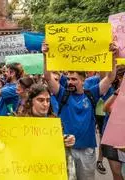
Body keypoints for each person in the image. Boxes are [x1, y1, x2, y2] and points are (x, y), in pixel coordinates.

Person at [43, 42, 118, 180]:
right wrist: (45, 55)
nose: (70, 82)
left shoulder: (92, 93)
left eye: (74, 79)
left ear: (83, 80)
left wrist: (113, 58)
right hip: (66, 149)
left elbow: (110, 78)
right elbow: (47, 77)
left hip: (87, 150)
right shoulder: (62, 93)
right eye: (69, 79)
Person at [0, 83, 76, 179]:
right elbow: (4, 149)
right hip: (23, 173)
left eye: (48, 100)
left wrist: (67, 139)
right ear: (31, 102)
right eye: (40, 100)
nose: (45, 104)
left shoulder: (54, 124)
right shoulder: (17, 123)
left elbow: (58, 147)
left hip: (46, 173)